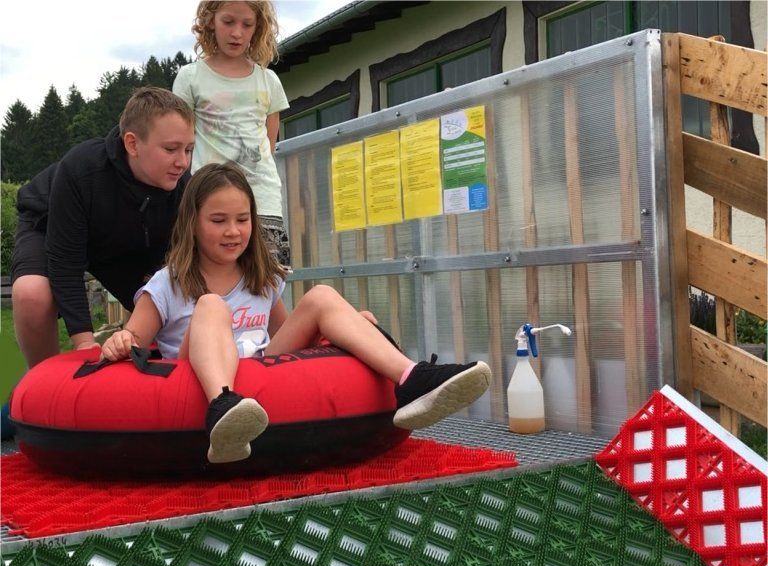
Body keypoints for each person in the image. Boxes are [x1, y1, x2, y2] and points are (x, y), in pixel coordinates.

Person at [101, 163, 491, 464]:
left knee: (321, 296)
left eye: (242, 220)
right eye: (218, 221)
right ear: (192, 223)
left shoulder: (262, 278)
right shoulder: (168, 284)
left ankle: (412, 379)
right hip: (198, 381)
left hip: (258, 374)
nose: (233, 231)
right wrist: (121, 340)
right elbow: (133, 340)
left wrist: (341, 331)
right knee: (211, 304)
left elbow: (287, 338)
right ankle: (222, 407)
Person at [10, 87, 196, 370]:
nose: (182, 162)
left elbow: (177, 274)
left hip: (121, 240)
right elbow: (65, 262)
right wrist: (85, 344)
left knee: (165, 304)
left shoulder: (184, 188)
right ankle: (43, 385)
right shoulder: (82, 168)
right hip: (49, 224)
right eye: (171, 149)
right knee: (32, 293)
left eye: (189, 150)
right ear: (132, 144)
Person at [173, 1, 290, 266]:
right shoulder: (190, 77)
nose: (237, 32)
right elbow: (182, 141)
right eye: (228, 22)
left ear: (258, 27)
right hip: (208, 197)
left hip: (262, 198)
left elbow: (269, 143)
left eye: (247, 24)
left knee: (267, 277)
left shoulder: (269, 80)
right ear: (210, 20)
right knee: (211, 276)